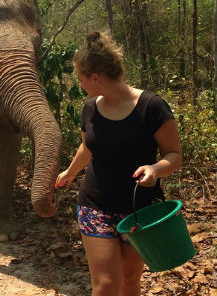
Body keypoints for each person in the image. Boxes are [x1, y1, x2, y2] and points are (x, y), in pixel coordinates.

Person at [55, 32, 182, 296]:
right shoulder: (90, 108)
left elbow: (174, 155)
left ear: (96, 78)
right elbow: (87, 146)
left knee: (128, 280)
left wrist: (155, 169)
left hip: (138, 210)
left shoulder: (152, 107)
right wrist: (71, 171)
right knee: (106, 285)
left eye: (80, 79)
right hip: (95, 206)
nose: (80, 85)